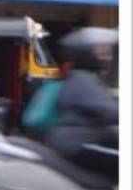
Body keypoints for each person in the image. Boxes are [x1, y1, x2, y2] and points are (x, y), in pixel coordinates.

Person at [48, 29, 118, 178]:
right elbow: (108, 110)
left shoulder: (82, 77)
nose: (107, 55)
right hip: (78, 143)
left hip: (78, 139)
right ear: (87, 52)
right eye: (101, 49)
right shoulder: (84, 80)